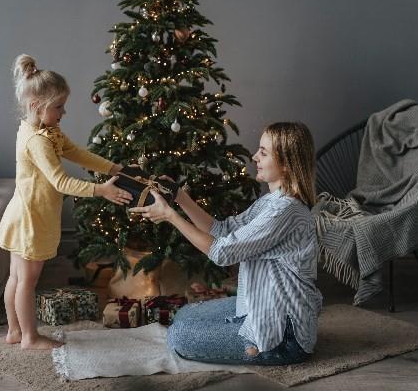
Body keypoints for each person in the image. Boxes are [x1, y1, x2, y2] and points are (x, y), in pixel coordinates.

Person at [129, 122, 322, 365]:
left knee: (179, 336)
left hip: (283, 334)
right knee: (187, 313)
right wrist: (180, 196)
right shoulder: (272, 202)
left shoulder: (286, 211)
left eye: (263, 152)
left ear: (286, 163)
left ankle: (263, 347)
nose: (255, 157)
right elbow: (222, 230)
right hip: (258, 305)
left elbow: (222, 252)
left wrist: (170, 216)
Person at [0, 54, 133, 350]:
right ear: (37, 106)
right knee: (26, 281)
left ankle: (14, 332)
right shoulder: (38, 141)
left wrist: (112, 168)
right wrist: (101, 190)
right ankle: (30, 337)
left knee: (16, 277)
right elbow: (61, 182)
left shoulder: (45, 130)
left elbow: (76, 152)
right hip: (31, 218)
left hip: (25, 213)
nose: (63, 112)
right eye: (58, 107)